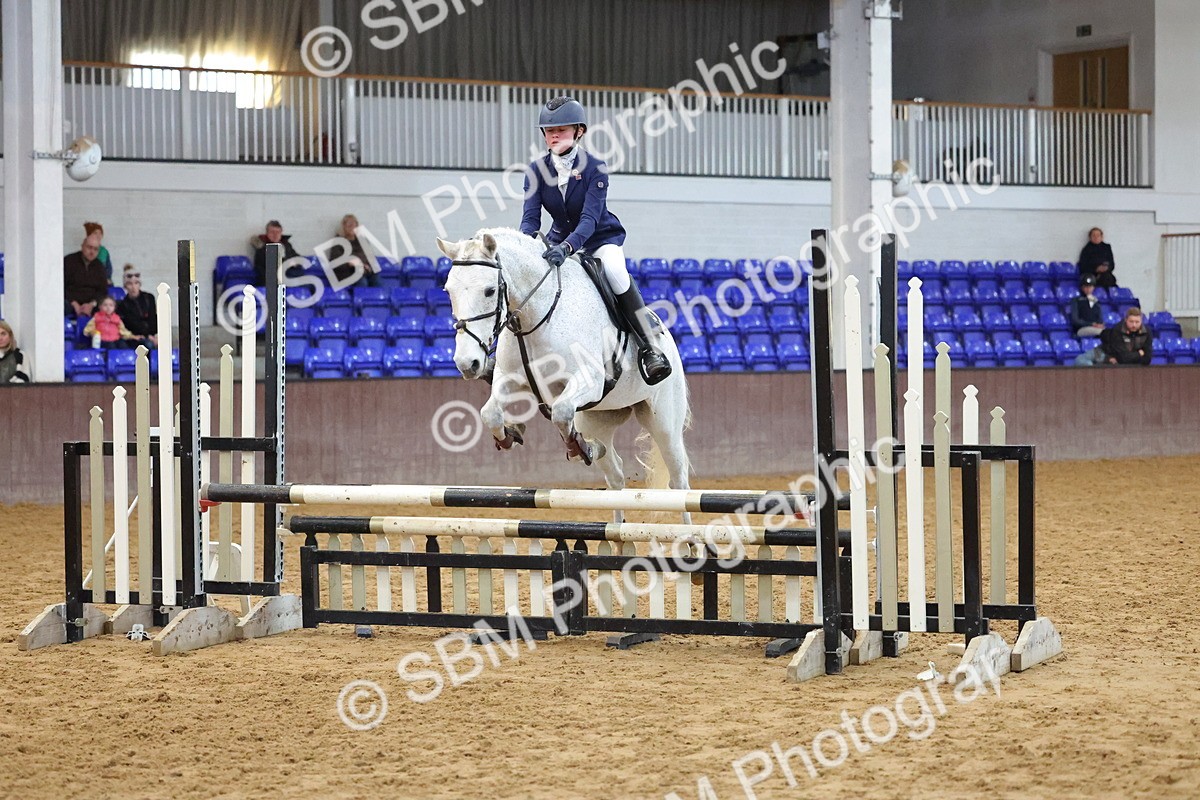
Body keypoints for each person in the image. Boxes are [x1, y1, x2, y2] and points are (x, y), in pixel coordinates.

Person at [519, 96, 671, 384]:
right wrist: (524, 247)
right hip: (559, 241)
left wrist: (567, 247)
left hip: (599, 238)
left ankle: (649, 347)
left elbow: (589, 219)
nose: (554, 135)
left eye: (562, 130)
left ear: (579, 131)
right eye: (550, 131)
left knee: (615, 272)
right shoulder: (535, 171)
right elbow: (530, 220)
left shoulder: (594, 168)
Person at [1075, 307, 1152, 366]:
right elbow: (1123, 358)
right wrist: (1139, 354)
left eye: (1137, 322)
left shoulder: (1146, 332)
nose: (1134, 325)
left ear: (1141, 321)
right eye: (1131, 321)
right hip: (1104, 353)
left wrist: (1131, 357)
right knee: (1080, 361)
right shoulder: (1118, 330)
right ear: (1126, 320)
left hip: (1117, 359)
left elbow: (1147, 359)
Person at [64, 232, 110, 317]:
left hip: (92, 305)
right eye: (89, 247)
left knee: (109, 307)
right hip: (70, 302)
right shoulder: (68, 261)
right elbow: (60, 286)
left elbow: (103, 291)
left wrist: (92, 304)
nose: (92, 252)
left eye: (95, 249)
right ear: (82, 246)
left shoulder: (100, 267)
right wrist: (74, 303)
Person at [333, 214, 380, 287]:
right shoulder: (338, 241)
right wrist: (349, 263)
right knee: (362, 282)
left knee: (377, 280)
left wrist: (368, 266)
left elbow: (370, 257)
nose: (352, 228)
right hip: (347, 273)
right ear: (344, 227)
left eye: (354, 226)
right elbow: (335, 260)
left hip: (363, 271)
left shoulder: (362, 240)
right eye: (349, 226)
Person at [116, 266, 157, 346]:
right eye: (130, 284)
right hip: (137, 336)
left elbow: (152, 317)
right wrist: (147, 336)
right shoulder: (123, 304)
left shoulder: (149, 298)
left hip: (153, 334)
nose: (133, 287)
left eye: (136, 283)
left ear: (140, 284)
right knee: (147, 345)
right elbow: (132, 323)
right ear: (125, 286)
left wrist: (155, 335)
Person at [251, 220, 300, 286]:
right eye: (272, 232)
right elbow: (262, 267)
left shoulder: (286, 245)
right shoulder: (262, 248)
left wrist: (296, 262)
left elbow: (296, 257)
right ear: (267, 233)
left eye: (277, 232)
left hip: (288, 275)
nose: (275, 235)